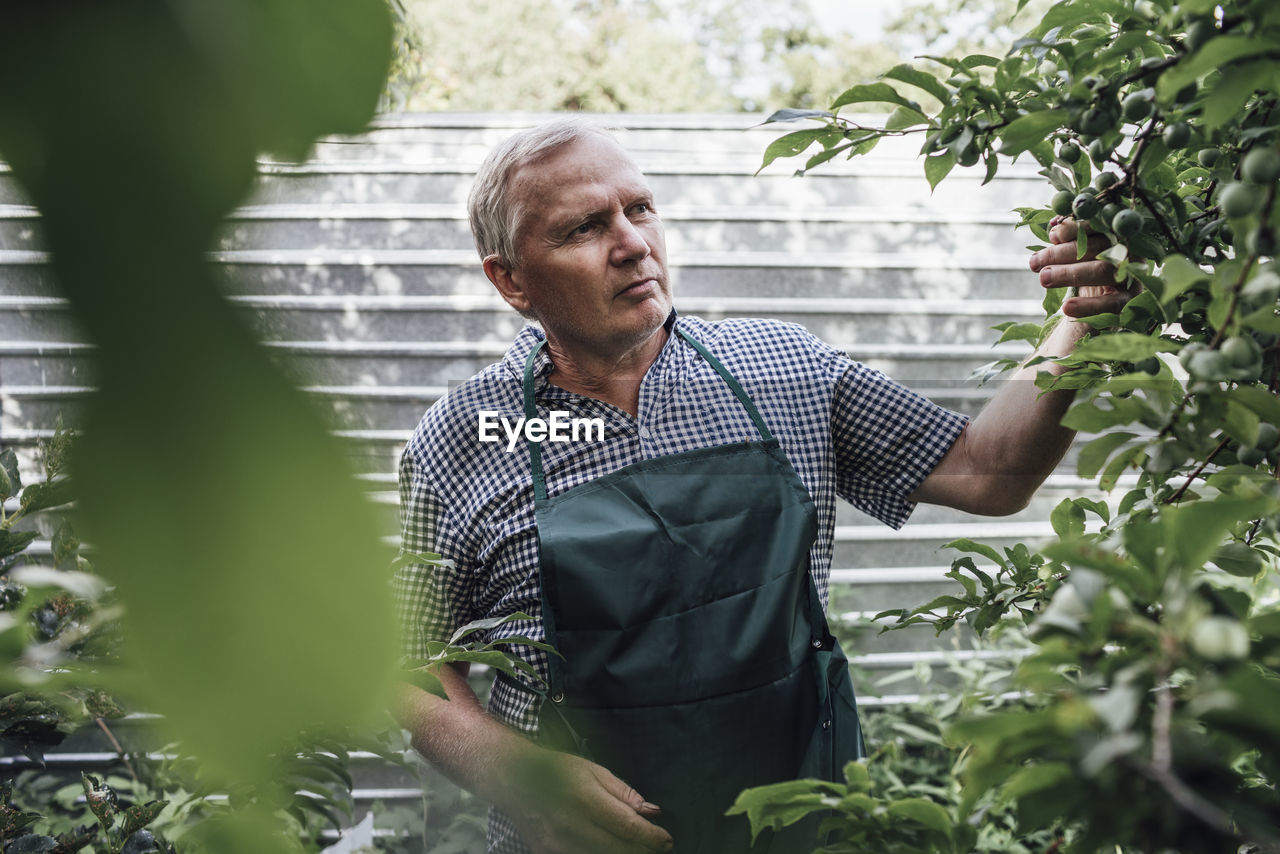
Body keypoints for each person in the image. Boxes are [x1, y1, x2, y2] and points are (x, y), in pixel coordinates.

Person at [392, 118, 1130, 854]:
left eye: (640, 208)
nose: (633, 244)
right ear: (511, 279)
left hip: (802, 829)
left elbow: (990, 473)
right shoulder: (467, 436)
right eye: (584, 227)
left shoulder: (782, 370)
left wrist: (1081, 316)